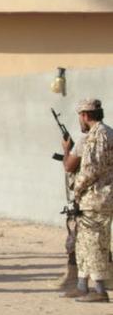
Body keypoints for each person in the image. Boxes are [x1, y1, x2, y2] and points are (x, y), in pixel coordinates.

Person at [62, 99, 113, 303]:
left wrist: (77, 188)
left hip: (97, 197)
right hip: (93, 198)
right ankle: (83, 286)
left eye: (80, 116)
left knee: (96, 243)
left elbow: (92, 168)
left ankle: (100, 290)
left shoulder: (98, 135)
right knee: (83, 242)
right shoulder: (105, 133)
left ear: (85, 115)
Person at [54, 130, 86, 291]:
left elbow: (68, 166)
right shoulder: (107, 137)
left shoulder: (86, 141)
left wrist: (67, 149)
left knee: (73, 240)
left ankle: (73, 278)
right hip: (101, 200)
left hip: (84, 200)